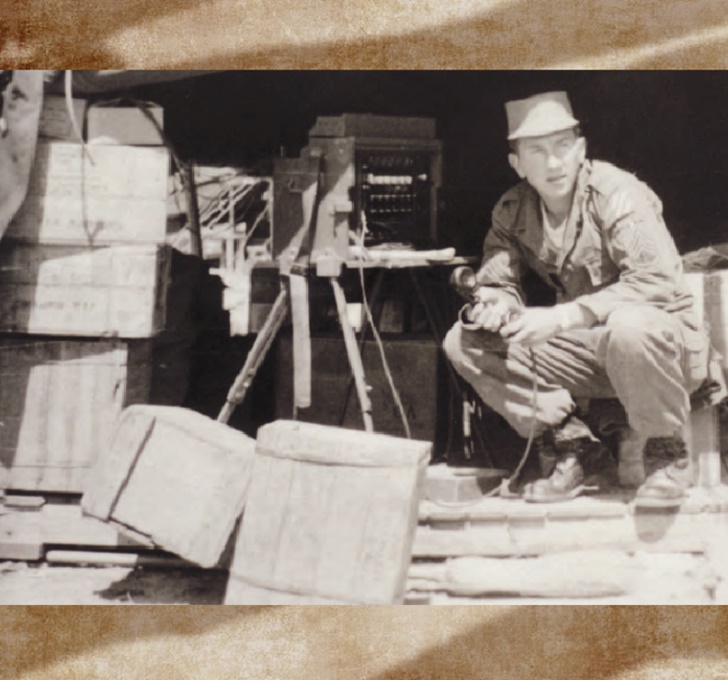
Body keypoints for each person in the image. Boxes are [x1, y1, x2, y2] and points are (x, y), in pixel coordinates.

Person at [443, 91, 709, 507]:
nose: (554, 163)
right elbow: (499, 282)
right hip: (593, 349)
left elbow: (654, 280)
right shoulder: (513, 210)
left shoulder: (616, 193)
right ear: (517, 163)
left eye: (563, 147)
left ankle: (666, 456)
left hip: (664, 348)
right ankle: (574, 447)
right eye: (537, 151)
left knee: (630, 326)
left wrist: (562, 316)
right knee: (463, 342)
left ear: (581, 149)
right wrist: (494, 307)